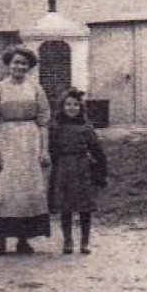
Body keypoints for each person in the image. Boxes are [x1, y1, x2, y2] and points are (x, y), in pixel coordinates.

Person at [0, 45, 54, 255]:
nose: (19, 67)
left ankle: (24, 239)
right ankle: (0, 240)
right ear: (8, 64)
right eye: (16, 62)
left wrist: (44, 149)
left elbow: (43, 121)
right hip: (6, 142)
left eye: (24, 63)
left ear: (29, 67)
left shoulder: (36, 89)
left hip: (29, 143)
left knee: (26, 191)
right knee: (4, 191)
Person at [48, 88, 108, 255]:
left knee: (85, 207)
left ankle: (85, 241)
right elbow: (52, 150)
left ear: (81, 108)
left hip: (82, 169)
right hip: (63, 169)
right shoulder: (56, 128)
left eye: (75, 105)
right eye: (68, 105)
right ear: (62, 107)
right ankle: (68, 240)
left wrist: (101, 172)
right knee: (65, 207)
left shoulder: (86, 127)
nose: (72, 108)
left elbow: (97, 150)